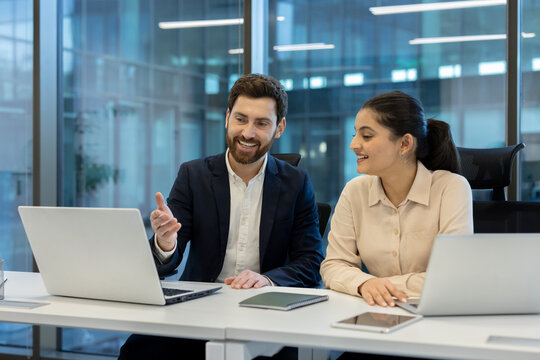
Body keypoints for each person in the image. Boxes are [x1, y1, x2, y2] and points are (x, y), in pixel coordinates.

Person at [119, 73, 323, 360]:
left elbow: (311, 261)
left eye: (262, 123)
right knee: (136, 352)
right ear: (227, 118)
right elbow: (168, 261)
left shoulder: (296, 182)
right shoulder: (194, 175)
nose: (248, 133)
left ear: (279, 128)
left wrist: (268, 280)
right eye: (241, 119)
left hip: (266, 314)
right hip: (199, 310)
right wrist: (166, 243)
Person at [321, 90, 473, 309]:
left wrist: (375, 285)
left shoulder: (450, 188)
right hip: (379, 314)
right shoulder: (354, 191)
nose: (353, 144)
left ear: (404, 144)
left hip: (439, 314)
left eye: (366, 136)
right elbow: (334, 264)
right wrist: (365, 283)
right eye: (355, 134)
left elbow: (453, 275)